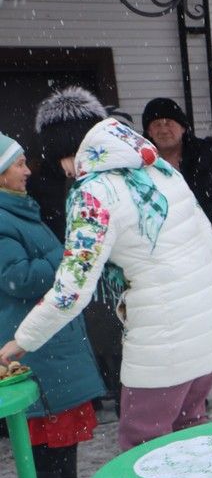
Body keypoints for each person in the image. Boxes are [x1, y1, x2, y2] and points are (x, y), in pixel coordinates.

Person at [0, 117, 212, 478]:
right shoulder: (163, 175)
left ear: (82, 153)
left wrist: (20, 342)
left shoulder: (95, 195)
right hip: (211, 326)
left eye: (59, 157)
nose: (50, 168)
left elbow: (72, 290)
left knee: (143, 442)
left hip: (163, 337)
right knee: (188, 427)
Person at [0, 132, 105, 478]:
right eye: (19, 164)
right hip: (31, 339)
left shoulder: (18, 210)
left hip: (50, 337)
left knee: (63, 414)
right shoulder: (3, 218)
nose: (27, 171)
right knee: (46, 424)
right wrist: (61, 260)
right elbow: (15, 278)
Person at [143, 97, 212, 407]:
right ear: (147, 130)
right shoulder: (142, 163)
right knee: (185, 322)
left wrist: (204, 218)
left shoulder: (207, 154)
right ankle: (192, 395)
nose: (164, 128)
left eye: (169, 121)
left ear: (183, 126)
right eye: (156, 123)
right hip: (169, 257)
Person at [32, 87, 126, 413]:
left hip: (118, 280)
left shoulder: (99, 185)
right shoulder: (51, 182)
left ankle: (121, 393)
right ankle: (109, 390)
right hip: (93, 277)